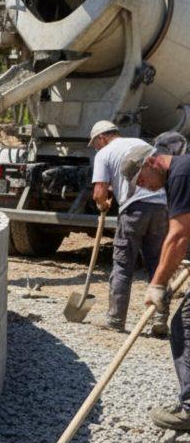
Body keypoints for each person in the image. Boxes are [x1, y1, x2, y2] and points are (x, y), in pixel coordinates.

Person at [119, 142, 190, 430]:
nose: (145, 188)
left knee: (184, 325)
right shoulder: (182, 173)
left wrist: (157, 284)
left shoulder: (181, 176)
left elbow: (178, 237)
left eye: (143, 181)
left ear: (151, 162)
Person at [89, 121, 169, 335]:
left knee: (123, 265)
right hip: (161, 205)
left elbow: (99, 192)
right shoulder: (142, 143)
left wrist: (103, 204)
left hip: (134, 209)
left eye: (95, 144)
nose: (96, 148)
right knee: (158, 263)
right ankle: (160, 318)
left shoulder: (104, 153)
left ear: (102, 138)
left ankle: (115, 320)